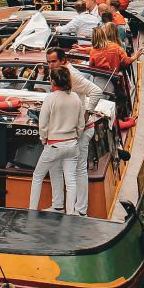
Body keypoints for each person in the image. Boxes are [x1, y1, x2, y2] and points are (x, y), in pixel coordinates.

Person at [46, 47, 103, 209]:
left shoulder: (72, 75)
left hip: (80, 130)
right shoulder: (59, 74)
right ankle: (58, 206)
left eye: (53, 61)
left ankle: (81, 209)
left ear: (63, 60)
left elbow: (96, 91)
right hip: (66, 130)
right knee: (55, 166)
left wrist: (85, 115)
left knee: (78, 169)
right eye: (48, 62)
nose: (50, 65)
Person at [31, 65, 83, 214]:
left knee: (38, 176)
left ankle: (31, 210)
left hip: (54, 145)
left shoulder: (50, 98)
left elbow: (43, 124)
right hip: (72, 144)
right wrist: (75, 137)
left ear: (52, 81)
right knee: (70, 180)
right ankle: (69, 212)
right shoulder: (75, 98)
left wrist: (44, 139)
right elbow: (81, 124)